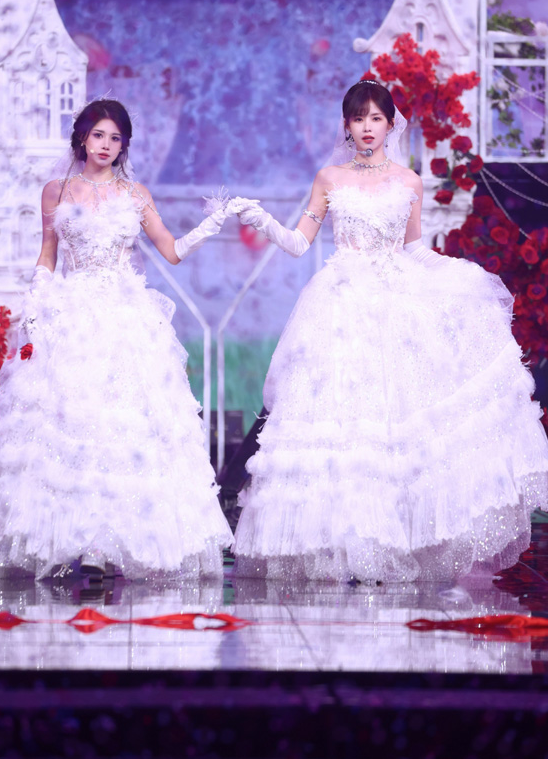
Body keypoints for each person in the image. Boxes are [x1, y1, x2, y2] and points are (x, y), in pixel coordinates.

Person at [231, 79, 548, 583]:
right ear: (347, 125)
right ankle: (337, 542)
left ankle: (398, 540)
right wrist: (262, 220)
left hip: (396, 307)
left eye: (375, 118)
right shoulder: (330, 178)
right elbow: (298, 242)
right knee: (340, 422)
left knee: (397, 424)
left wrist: (460, 275)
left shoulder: (408, 182)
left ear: (389, 124)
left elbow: (414, 249)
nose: (367, 127)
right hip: (340, 306)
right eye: (358, 118)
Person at [0, 99, 233, 581]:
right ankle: (69, 537)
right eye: (99, 135)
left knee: (124, 424)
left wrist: (212, 224)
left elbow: (171, 251)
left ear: (123, 145)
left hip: (126, 319)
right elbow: (48, 254)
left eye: (115, 138)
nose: (106, 145)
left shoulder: (135, 194)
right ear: (82, 138)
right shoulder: (57, 190)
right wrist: (36, 305)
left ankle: (110, 544)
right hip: (72, 315)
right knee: (70, 423)